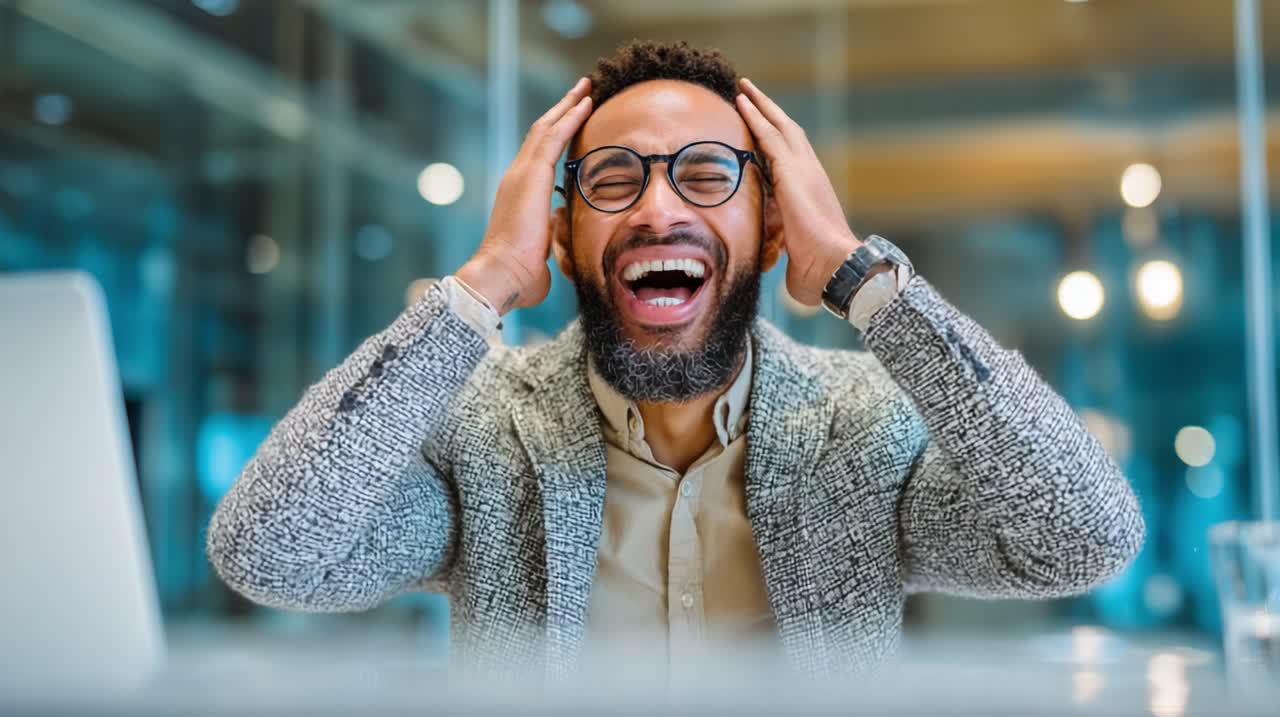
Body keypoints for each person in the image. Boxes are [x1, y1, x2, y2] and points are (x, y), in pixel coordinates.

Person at [207, 41, 1145, 684]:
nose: (658, 211)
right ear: (566, 240)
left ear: (771, 228)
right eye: (614, 179)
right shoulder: (482, 431)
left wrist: (867, 285)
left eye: (706, 175)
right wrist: (483, 284)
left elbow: (1085, 536)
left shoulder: (870, 428)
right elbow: (271, 553)